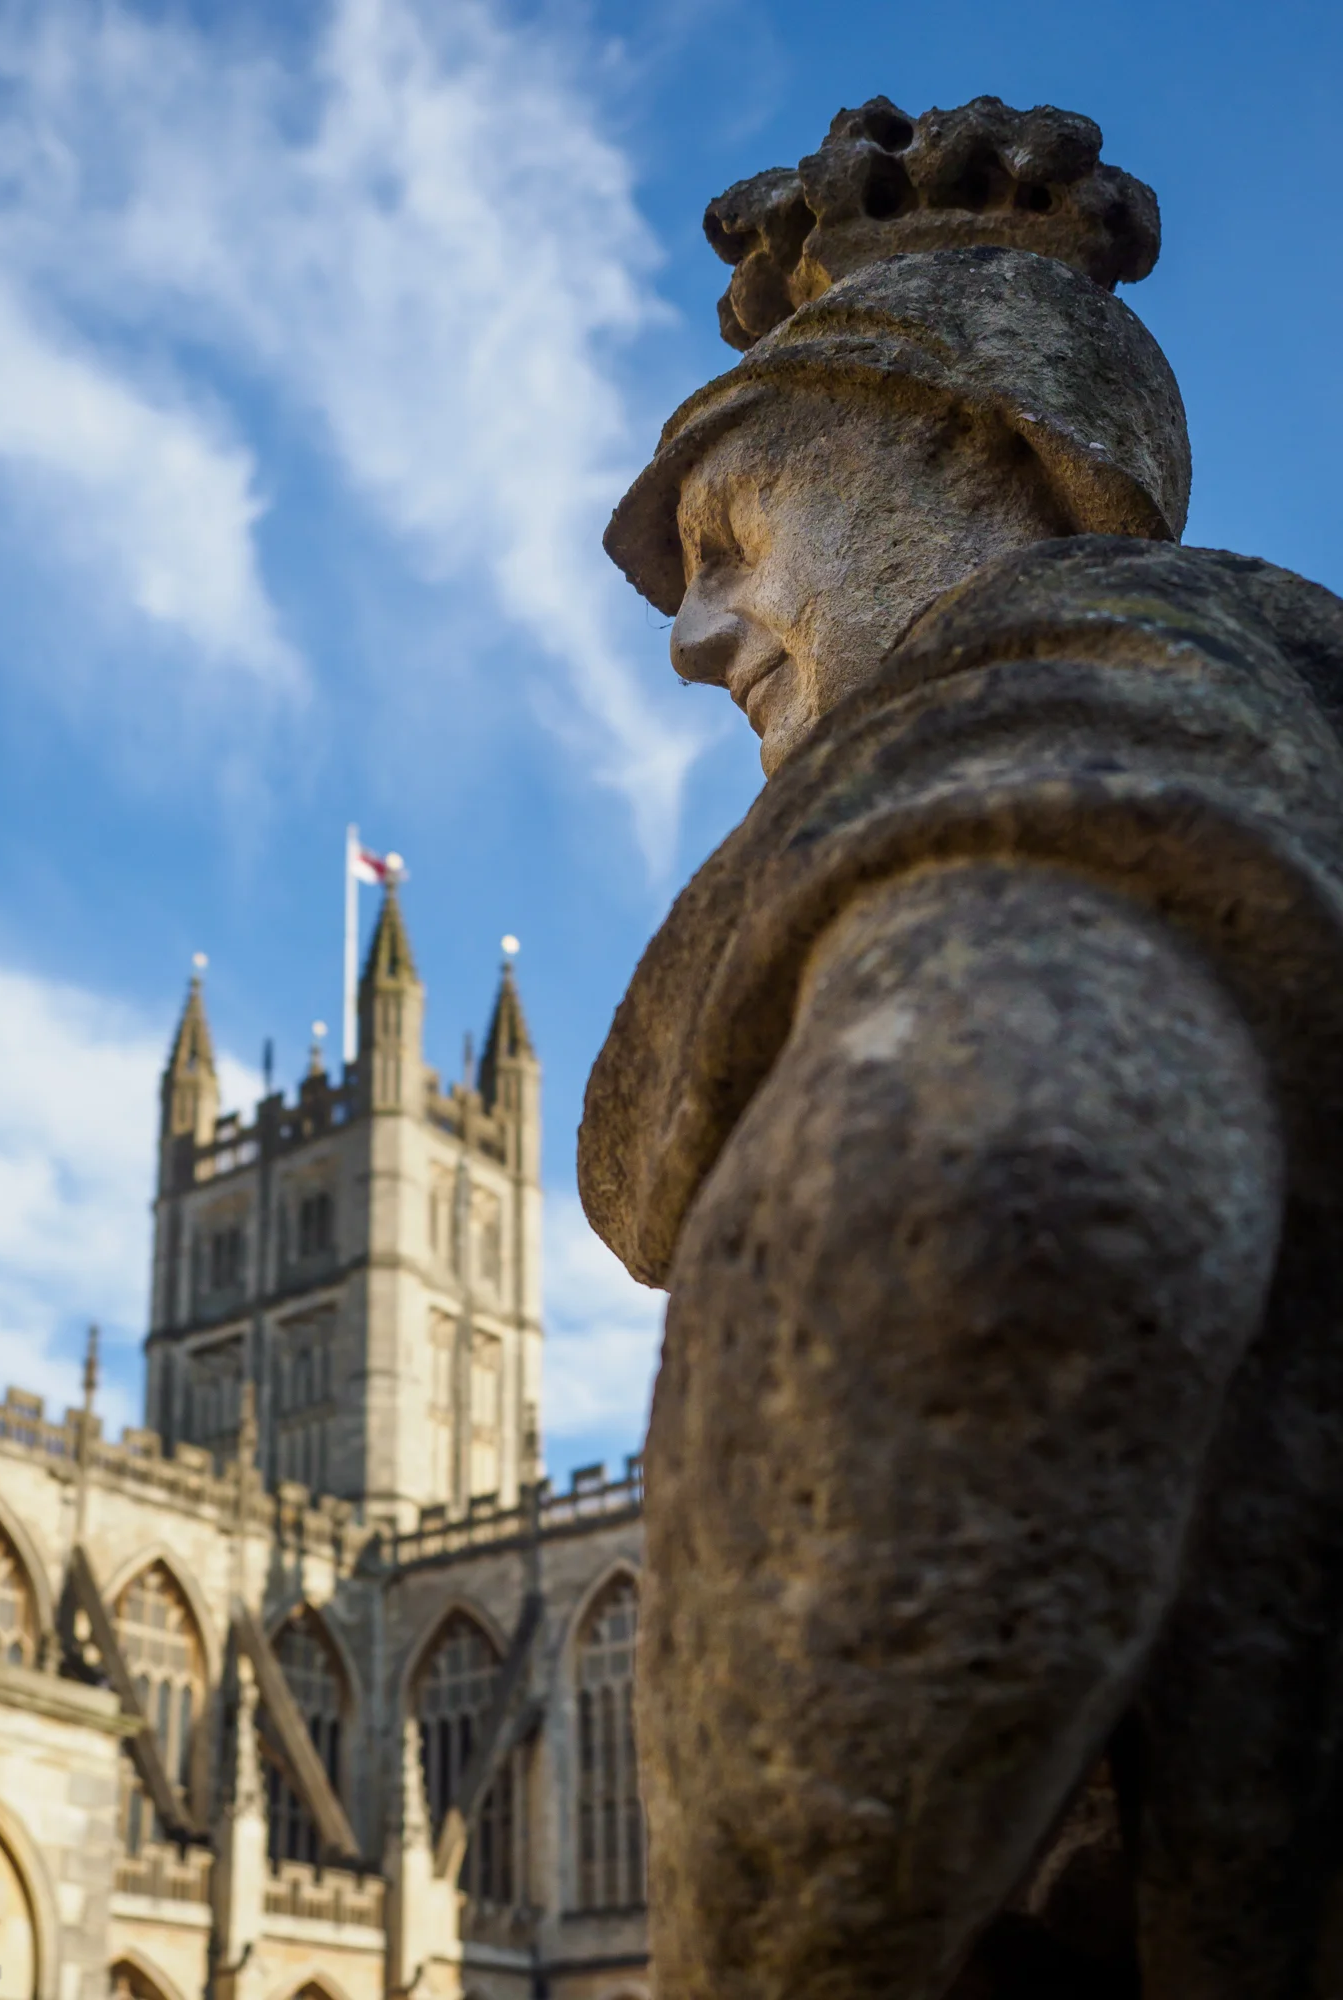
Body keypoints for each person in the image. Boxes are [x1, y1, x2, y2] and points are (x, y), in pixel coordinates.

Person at [579, 96, 1343, 1999]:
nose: (697, 632)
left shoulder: (1068, 747)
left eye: (734, 530)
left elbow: (987, 1210)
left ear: (994, 439)